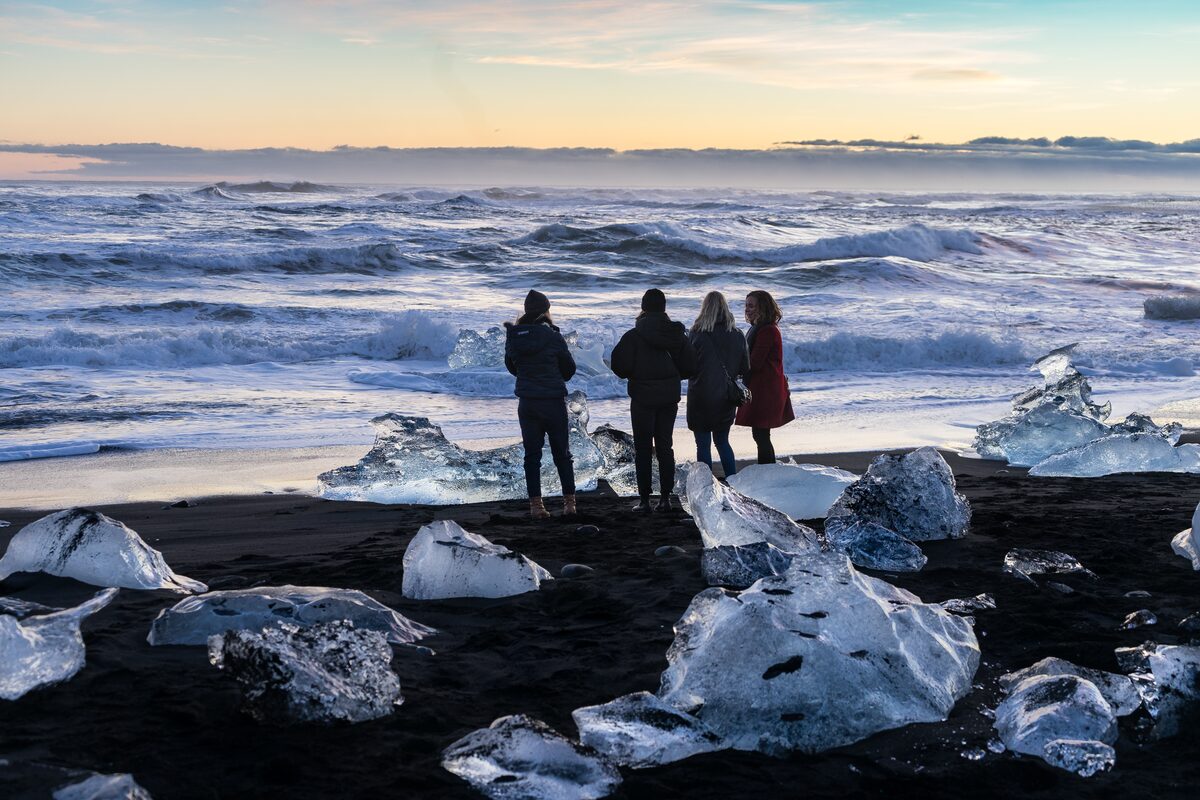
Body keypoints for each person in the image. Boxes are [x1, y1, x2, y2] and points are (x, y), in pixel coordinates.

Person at [610, 288, 697, 512]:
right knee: (665, 446)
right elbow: (691, 366)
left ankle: (645, 500)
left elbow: (619, 366)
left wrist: (636, 373)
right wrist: (672, 374)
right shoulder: (676, 334)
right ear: (664, 307)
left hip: (642, 398)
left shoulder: (633, 335)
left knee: (643, 448)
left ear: (644, 307)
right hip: (669, 397)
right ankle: (666, 498)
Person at [504, 289, 577, 519]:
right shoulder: (553, 336)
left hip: (527, 403)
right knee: (562, 454)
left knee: (531, 455)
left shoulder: (514, 336)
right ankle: (569, 505)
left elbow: (511, 366)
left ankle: (536, 506)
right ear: (546, 312)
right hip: (553, 402)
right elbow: (569, 370)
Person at [686, 291, 749, 478]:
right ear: (725, 308)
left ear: (704, 308)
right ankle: (732, 481)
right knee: (722, 442)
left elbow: (688, 366)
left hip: (701, 396)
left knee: (702, 444)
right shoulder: (737, 335)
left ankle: (706, 484)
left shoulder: (696, 333)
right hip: (726, 396)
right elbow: (744, 368)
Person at [735, 290, 794, 464]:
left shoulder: (767, 330)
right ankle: (768, 469)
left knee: (761, 434)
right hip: (763, 388)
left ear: (762, 307)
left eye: (751, 305)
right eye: (746, 306)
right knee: (761, 434)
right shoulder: (759, 328)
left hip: (766, 390)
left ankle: (767, 469)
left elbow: (755, 362)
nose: (747, 309)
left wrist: (734, 366)